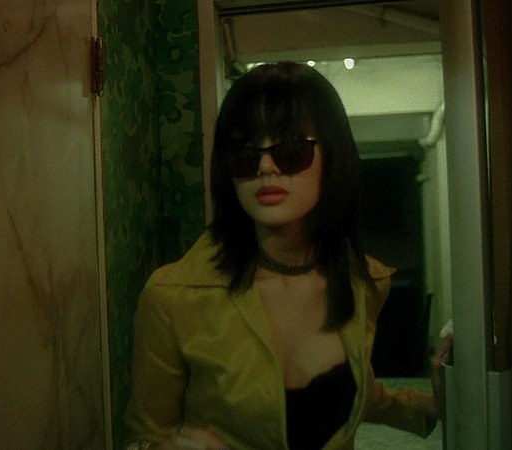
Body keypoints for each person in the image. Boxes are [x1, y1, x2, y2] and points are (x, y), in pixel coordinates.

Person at [125, 61, 448, 450]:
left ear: (332, 157)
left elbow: (343, 396)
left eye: (291, 149)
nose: (266, 166)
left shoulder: (362, 282)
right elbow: (147, 436)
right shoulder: (173, 296)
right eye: (245, 153)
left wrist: (435, 403)